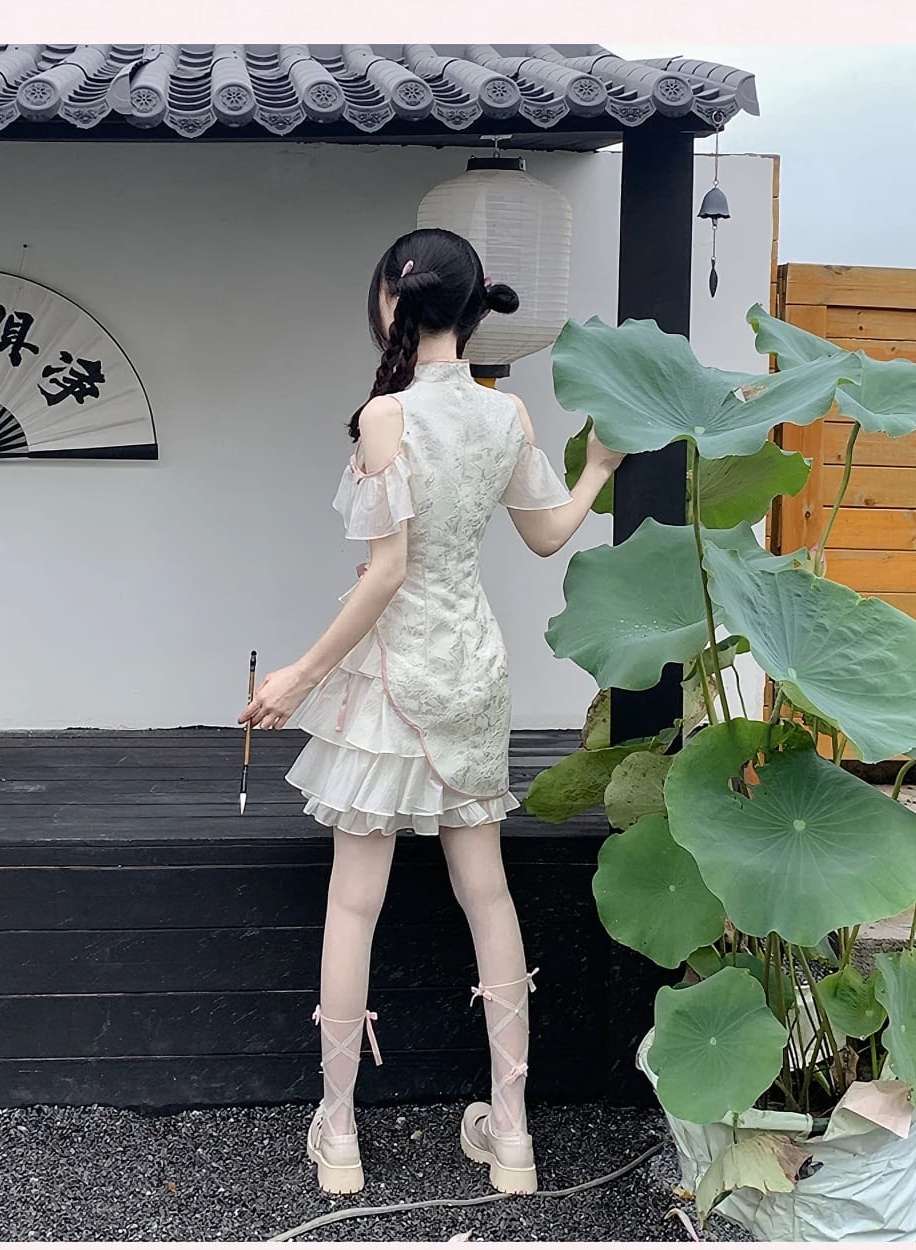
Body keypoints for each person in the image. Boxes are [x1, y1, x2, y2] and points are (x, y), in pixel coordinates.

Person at [238, 227, 624, 1197]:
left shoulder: (385, 417)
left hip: (392, 680)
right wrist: (599, 468)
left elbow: (386, 574)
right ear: (470, 306)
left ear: (390, 303)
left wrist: (297, 675)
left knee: (354, 902)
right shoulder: (508, 418)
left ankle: (337, 1133)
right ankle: (514, 1135)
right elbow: (543, 539)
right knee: (485, 894)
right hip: (472, 670)